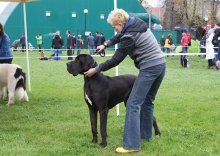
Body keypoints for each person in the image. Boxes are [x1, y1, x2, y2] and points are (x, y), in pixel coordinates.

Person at [84, 8, 166, 153]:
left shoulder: (130, 36)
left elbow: (116, 59)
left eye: (114, 26)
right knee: (148, 102)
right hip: (160, 65)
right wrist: (105, 44)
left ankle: (131, 145)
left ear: (121, 24)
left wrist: (95, 70)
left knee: (133, 104)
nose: (114, 29)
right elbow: (120, 36)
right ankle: (146, 136)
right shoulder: (136, 23)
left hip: (150, 68)